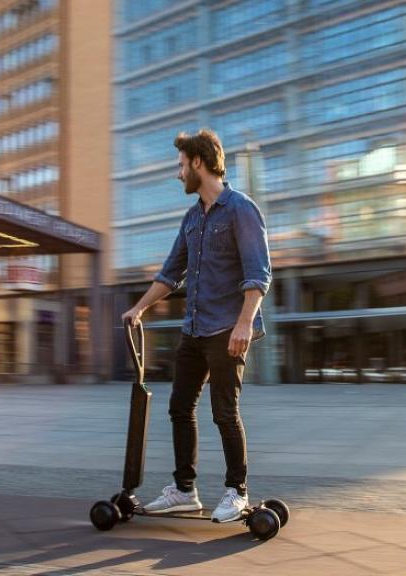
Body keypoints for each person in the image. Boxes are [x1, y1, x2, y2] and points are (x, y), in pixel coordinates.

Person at [121, 129, 272, 523]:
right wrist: (138, 308)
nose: (178, 174)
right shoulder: (192, 219)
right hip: (194, 329)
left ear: (199, 164)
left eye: (181, 166)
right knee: (179, 408)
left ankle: (237, 492)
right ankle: (185, 490)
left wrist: (244, 324)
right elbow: (171, 273)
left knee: (224, 411)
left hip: (227, 329)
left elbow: (258, 274)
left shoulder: (241, 209)